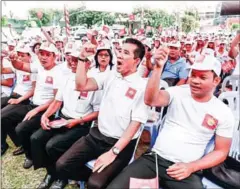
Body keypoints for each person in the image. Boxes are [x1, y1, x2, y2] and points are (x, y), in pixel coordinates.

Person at [107, 50, 235, 189]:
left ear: (216, 81)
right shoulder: (178, 92)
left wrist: (192, 167)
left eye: (202, 77)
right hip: (154, 160)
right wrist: (157, 68)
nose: (195, 81)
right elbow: (151, 100)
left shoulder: (223, 112)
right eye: (193, 75)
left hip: (186, 170)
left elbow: (221, 151)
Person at [53, 38, 150, 189]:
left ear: (136, 60)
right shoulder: (111, 75)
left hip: (119, 143)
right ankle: (101, 178)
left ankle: (103, 179)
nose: (120, 55)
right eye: (120, 51)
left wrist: (113, 152)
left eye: (126, 53)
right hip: (96, 136)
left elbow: (135, 125)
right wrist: (82, 58)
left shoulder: (143, 86)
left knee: (95, 184)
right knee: (62, 165)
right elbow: (81, 85)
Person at [30, 52, 102, 189]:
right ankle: (51, 172)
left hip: (80, 124)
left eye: (77, 60)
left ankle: (61, 177)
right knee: (36, 138)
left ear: (88, 63)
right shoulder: (66, 79)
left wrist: (77, 120)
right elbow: (57, 102)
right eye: (71, 60)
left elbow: (97, 112)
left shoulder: (94, 83)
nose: (73, 63)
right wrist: (46, 115)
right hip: (62, 119)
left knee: (52, 145)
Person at [1, 42, 62, 168]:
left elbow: (56, 99)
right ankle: (24, 147)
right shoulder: (38, 66)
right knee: (4, 116)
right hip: (32, 105)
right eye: (41, 54)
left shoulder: (58, 72)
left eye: (47, 55)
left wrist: (37, 110)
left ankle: (31, 156)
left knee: (21, 128)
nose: (43, 57)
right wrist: (13, 60)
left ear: (54, 56)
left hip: (46, 110)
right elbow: (21, 65)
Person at [1, 45, 37, 156]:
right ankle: (18, 142)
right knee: (4, 116)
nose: (20, 58)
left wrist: (19, 99)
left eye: (23, 56)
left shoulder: (33, 69)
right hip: (14, 95)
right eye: (19, 55)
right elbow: (2, 70)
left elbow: (33, 90)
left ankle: (3, 145)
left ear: (29, 56)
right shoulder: (17, 66)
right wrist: (1, 59)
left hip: (24, 99)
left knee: (2, 116)